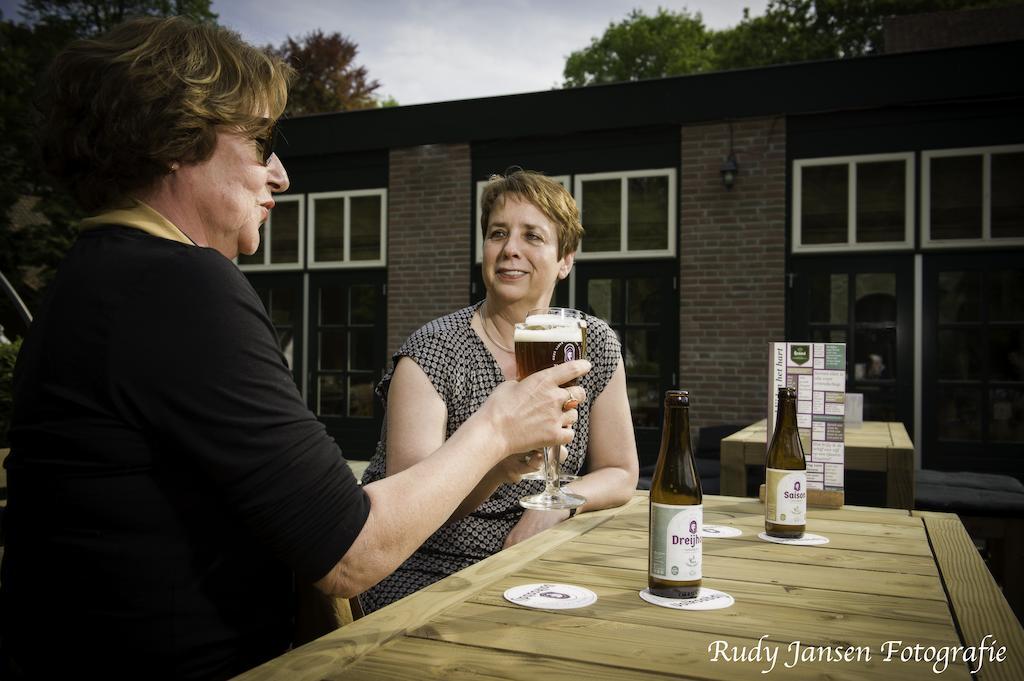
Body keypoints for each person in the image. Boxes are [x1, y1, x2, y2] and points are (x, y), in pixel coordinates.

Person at [0, 18, 589, 681]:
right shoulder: (179, 285)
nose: (278, 173)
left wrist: (495, 462)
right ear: (175, 139)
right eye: (259, 141)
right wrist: (499, 424)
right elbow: (350, 554)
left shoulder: (98, 275)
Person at [358, 170, 639, 613]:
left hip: (536, 565)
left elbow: (622, 471)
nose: (510, 249)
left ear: (566, 259)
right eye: (498, 234)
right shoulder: (432, 352)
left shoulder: (594, 345)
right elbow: (405, 515)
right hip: (427, 573)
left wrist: (556, 508)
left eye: (533, 236)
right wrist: (497, 466)